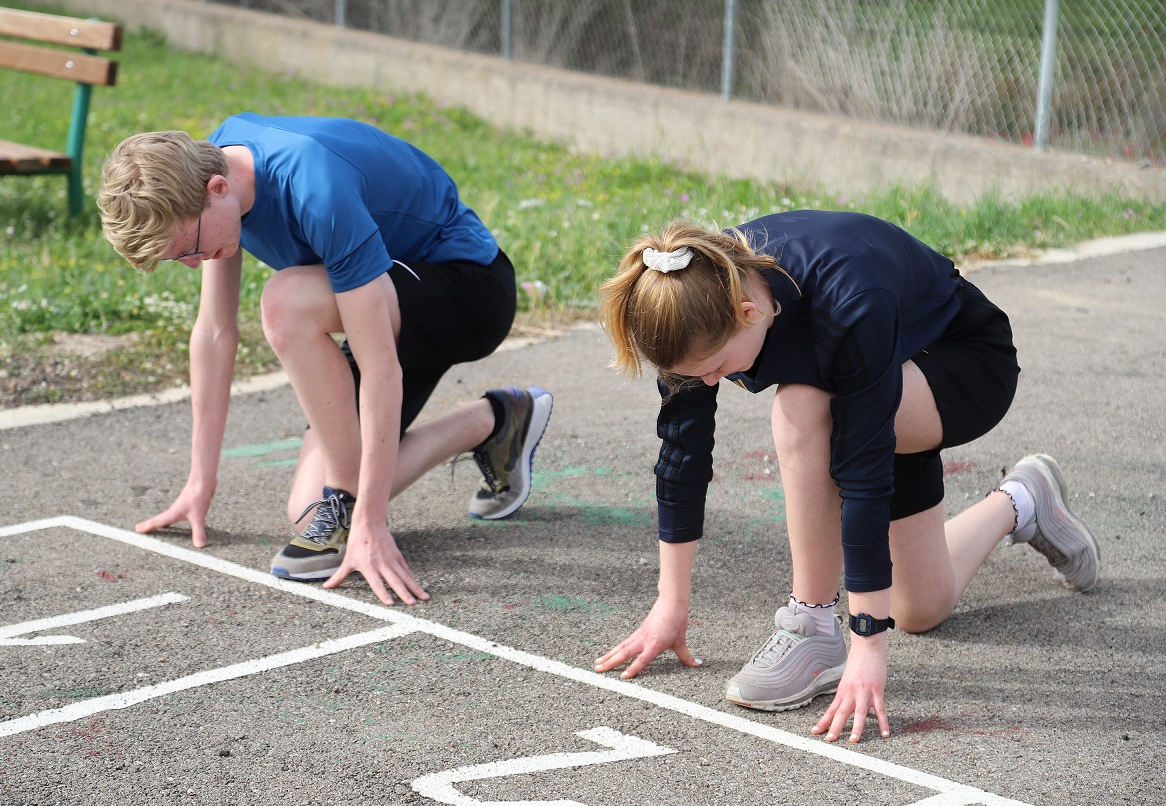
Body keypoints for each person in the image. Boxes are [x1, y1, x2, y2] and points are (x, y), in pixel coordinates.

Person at [593, 210, 1099, 743]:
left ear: (748, 312)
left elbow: (863, 471)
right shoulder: (693, 296)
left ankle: (810, 625)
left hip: (961, 362)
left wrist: (866, 645)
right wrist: (671, 603)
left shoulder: (847, 298)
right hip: (875, 375)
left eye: (717, 368)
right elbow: (682, 454)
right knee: (920, 607)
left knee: (803, 407)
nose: (714, 381)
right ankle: (1023, 498)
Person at [97, 113, 552, 607]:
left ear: (219, 188)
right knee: (306, 511)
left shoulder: (315, 187)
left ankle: (347, 497)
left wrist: (369, 523)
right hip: (380, 301)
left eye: (190, 248)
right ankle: (497, 420)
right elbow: (213, 331)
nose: (191, 263)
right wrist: (200, 480)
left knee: (286, 301)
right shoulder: (209, 177)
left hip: (468, 292)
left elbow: (381, 367)